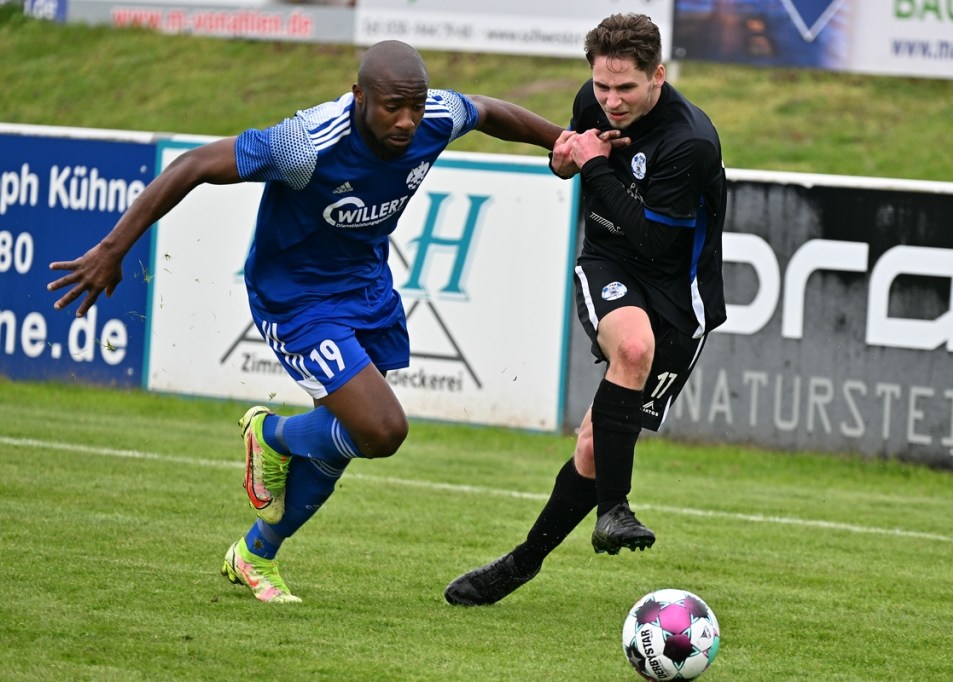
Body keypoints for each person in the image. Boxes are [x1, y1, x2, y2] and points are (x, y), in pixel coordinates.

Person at [47, 40, 572, 604]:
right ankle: (271, 433)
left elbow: (488, 110)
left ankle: (255, 554)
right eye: (392, 107)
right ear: (358, 96)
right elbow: (193, 165)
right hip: (295, 298)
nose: (407, 120)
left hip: (367, 285)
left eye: (415, 107)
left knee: (343, 440)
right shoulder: (305, 143)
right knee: (382, 430)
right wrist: (112, 250)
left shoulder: (435, 117)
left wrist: (563, 141)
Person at [444, 13, 727, 606]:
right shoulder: (590, 101)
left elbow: (655, 242)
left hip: (679, 291)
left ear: (658, 76)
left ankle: (521, 563)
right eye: (602, 86)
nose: (611, 101)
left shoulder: (690, 142)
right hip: (609, 263)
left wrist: (593, 163)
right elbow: (564, 162)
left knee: (596, 450)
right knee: (633, 347)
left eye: (626, 88)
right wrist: (569, 158)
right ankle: (615, 510)